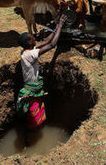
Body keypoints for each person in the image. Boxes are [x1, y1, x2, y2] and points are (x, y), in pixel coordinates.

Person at [16, 14, 67, 144]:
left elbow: (46, 42)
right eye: (32, 38)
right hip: (31, 92)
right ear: (29, 43)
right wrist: (60, 25)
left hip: (35, 90)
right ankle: (29, 140)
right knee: (33, 117)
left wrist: (55, 28)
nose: (35, 39)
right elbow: (52, 45)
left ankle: (35, 135)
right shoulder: (31, 54)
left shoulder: (26, 51)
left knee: (37, 115)